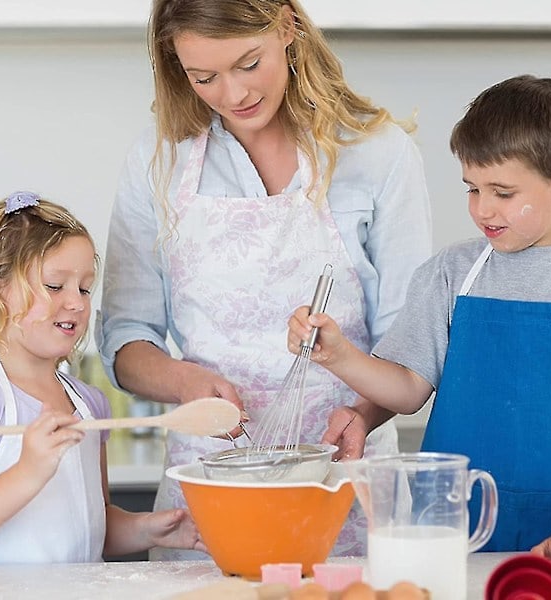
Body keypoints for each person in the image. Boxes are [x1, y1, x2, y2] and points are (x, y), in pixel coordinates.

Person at [97, 0, 431, 558]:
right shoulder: (158, 160)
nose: (233, 95)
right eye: (203, 77)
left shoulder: (378, 154)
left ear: (287, 27)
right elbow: (127, 340)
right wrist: (183, 383)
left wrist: (364, 413)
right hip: (208, 496)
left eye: (249, 64)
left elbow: (410, 347)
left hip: (347, 487)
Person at [287, 74, 551, 568]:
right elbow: (407, 388)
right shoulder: (453, 272)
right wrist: (339, 355)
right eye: (472, 188)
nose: (482, 208)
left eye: (503, 192)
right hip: (451, 527)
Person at [0, 192, 204, 563]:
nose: (78, 302)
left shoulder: (88, 403)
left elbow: (92, 524)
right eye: (55, 285)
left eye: (84, 288)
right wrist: (29, 471)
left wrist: (148, 529)